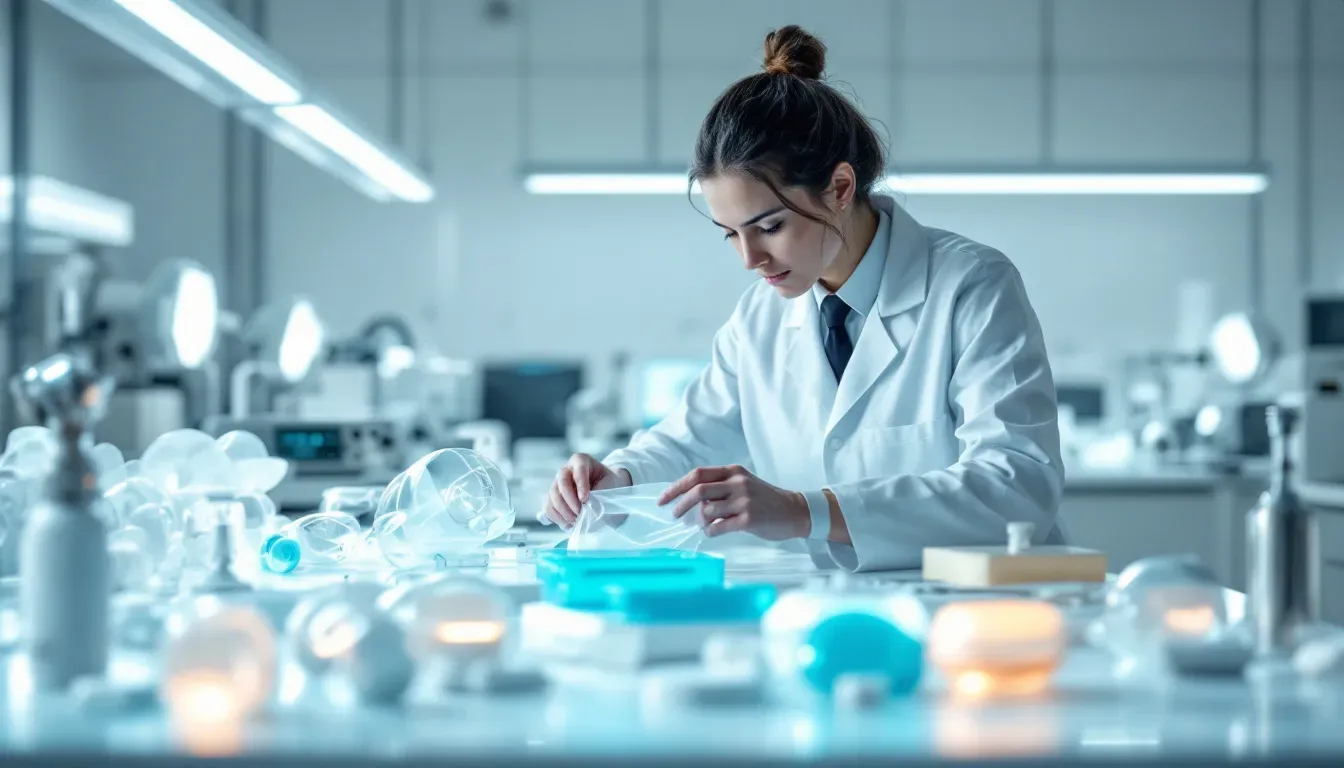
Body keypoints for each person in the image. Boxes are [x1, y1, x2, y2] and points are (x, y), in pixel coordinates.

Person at [542, 25, 1065, 572]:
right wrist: (615, 479)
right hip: (841, 610)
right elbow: (688, 441)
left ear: (840, 188)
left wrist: (804, 511)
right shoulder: (760, 318)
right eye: (730, 232)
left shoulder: (971, 286)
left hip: (984, 610)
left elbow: (1017, 483)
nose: (750, 258)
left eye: (769, 225)